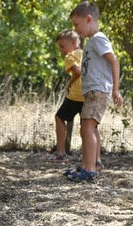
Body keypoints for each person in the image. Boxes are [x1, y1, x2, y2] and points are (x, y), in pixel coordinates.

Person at [65, 1, 123, 182]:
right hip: (92, 91)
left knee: (86, 128)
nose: (75, 29)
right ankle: (94, 164)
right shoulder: (92, 42)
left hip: (98, 90)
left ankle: (89, 169)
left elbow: (114, 61)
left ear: (89, 19)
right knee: (91, 127)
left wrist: (116, 89)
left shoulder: (98, 39)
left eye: (76, 24)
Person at [45, 29, 84, 163]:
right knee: (89, 127)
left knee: (59, 117)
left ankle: (61, 153)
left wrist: (69, 83)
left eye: (62, 46)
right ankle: (95, 160)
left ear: (73, 42)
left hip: (76, 96)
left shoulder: (70, 56)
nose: (61, 50)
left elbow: (77, 71)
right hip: (89, 95)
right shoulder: (86, 54)